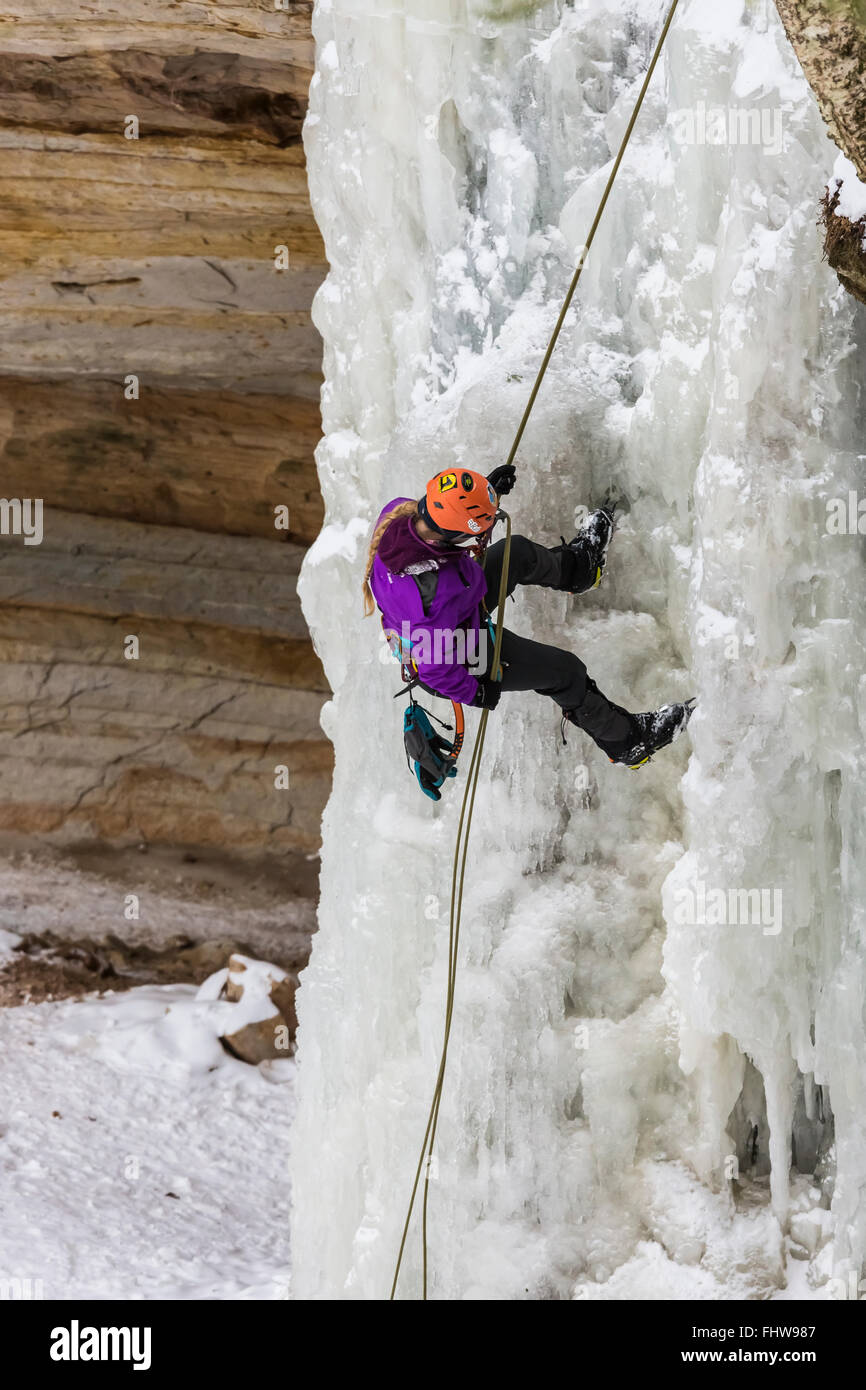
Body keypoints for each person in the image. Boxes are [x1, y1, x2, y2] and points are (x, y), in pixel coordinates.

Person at [362, 465, 693, 769]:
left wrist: (485, 496)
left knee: (514, 553)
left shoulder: (400, 513)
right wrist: (476, 693)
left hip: (459, 607)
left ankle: (580, 569)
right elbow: (435, 668)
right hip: (462, 658)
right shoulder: (430, 597)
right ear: (450, 536)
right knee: (566, 672)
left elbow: (453, 517)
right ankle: (628, 742)